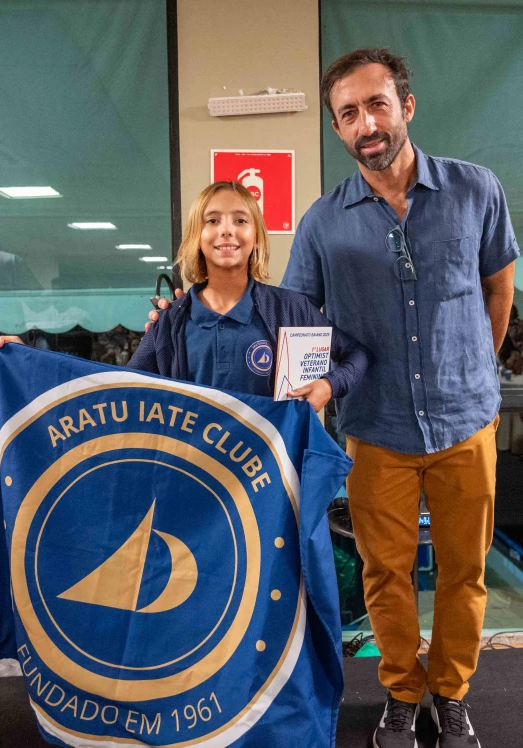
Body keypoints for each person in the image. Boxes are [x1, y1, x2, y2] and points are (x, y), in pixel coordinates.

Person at [149, 49, 518, 748]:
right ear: (337, 128)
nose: (365, 123)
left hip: (465, 421)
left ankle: (451, 693)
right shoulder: (323, 220)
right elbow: (292, 321)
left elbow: (498, 287)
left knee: (465, 572)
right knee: (386, 574)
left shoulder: (475, 190)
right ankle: (402, 694)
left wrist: (477, 366)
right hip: (374, 427)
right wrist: (184, 314)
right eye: (348, 114)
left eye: (376, 105)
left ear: (406, 107)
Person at [0, 181, 371, 416]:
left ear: (256, 237)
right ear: (196, 237)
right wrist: (30, 361)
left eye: (241, 220)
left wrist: (329, 386)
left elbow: (356, 355)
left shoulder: (289, 309)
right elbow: (116, 386)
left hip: (270, 482)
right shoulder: (172, 321)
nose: (227, 230)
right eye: (213, 220)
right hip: (194, 479)